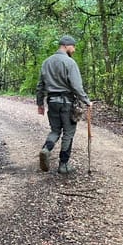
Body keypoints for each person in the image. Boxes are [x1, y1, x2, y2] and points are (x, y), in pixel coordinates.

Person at [36, 35, 92, 175]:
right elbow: (76, 86)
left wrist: (40, 103)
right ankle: (63, 165)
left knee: (55, 131)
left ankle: (46, 149)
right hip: (67, 103)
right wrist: (86, 101)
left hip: (52, 102)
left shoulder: (46, 62)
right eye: (73, 46)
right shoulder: (70, 63)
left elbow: (40, 86)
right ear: (66, 45)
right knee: (68, 133)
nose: (74, 49)